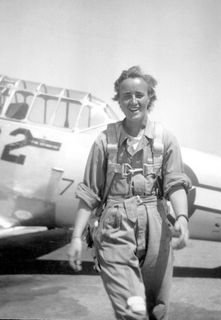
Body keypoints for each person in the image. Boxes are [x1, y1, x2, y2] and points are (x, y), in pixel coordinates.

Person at [68, 66, 192, 320]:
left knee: (156, 307)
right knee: (133, 309)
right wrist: (76, 237)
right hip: (115, 226)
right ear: (119, 100)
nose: (133, 101)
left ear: (150, 98)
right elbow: (90, 192)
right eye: (126, 96)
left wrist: (181, 217)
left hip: (157, 226)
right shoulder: (105, 141)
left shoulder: (165, 138)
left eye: (139, 95)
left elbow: (175, 184)